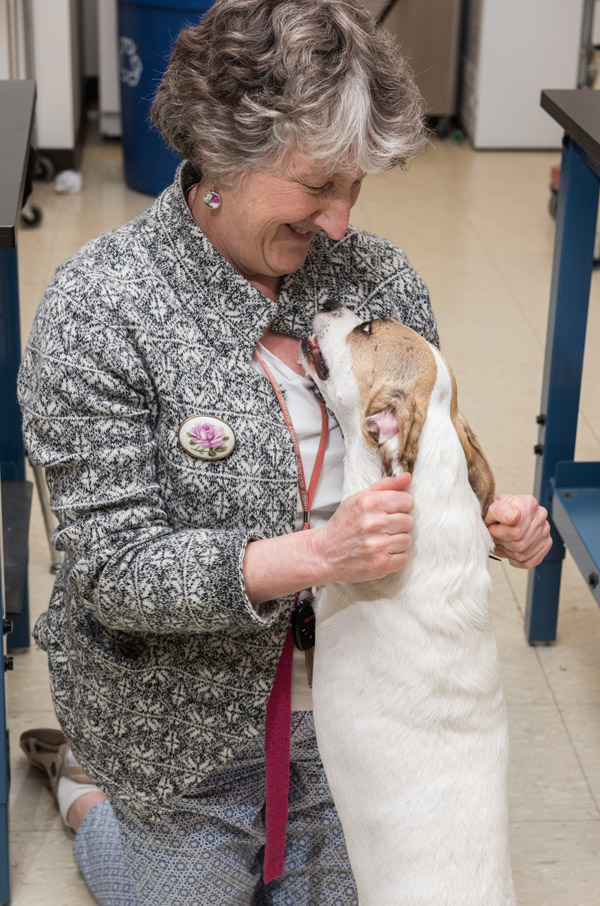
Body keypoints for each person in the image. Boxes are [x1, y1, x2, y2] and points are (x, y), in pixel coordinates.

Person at [18, 1, 552, 904]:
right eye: (318, 186)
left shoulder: (376, 280)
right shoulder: (100, 308)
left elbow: (421, 456)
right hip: (179, 726)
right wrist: (317, 555)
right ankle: (88, 794)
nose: (342, 222)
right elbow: (111, 567)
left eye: (359, 188)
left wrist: (488, 518)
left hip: (358, 711)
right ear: (225, 158)